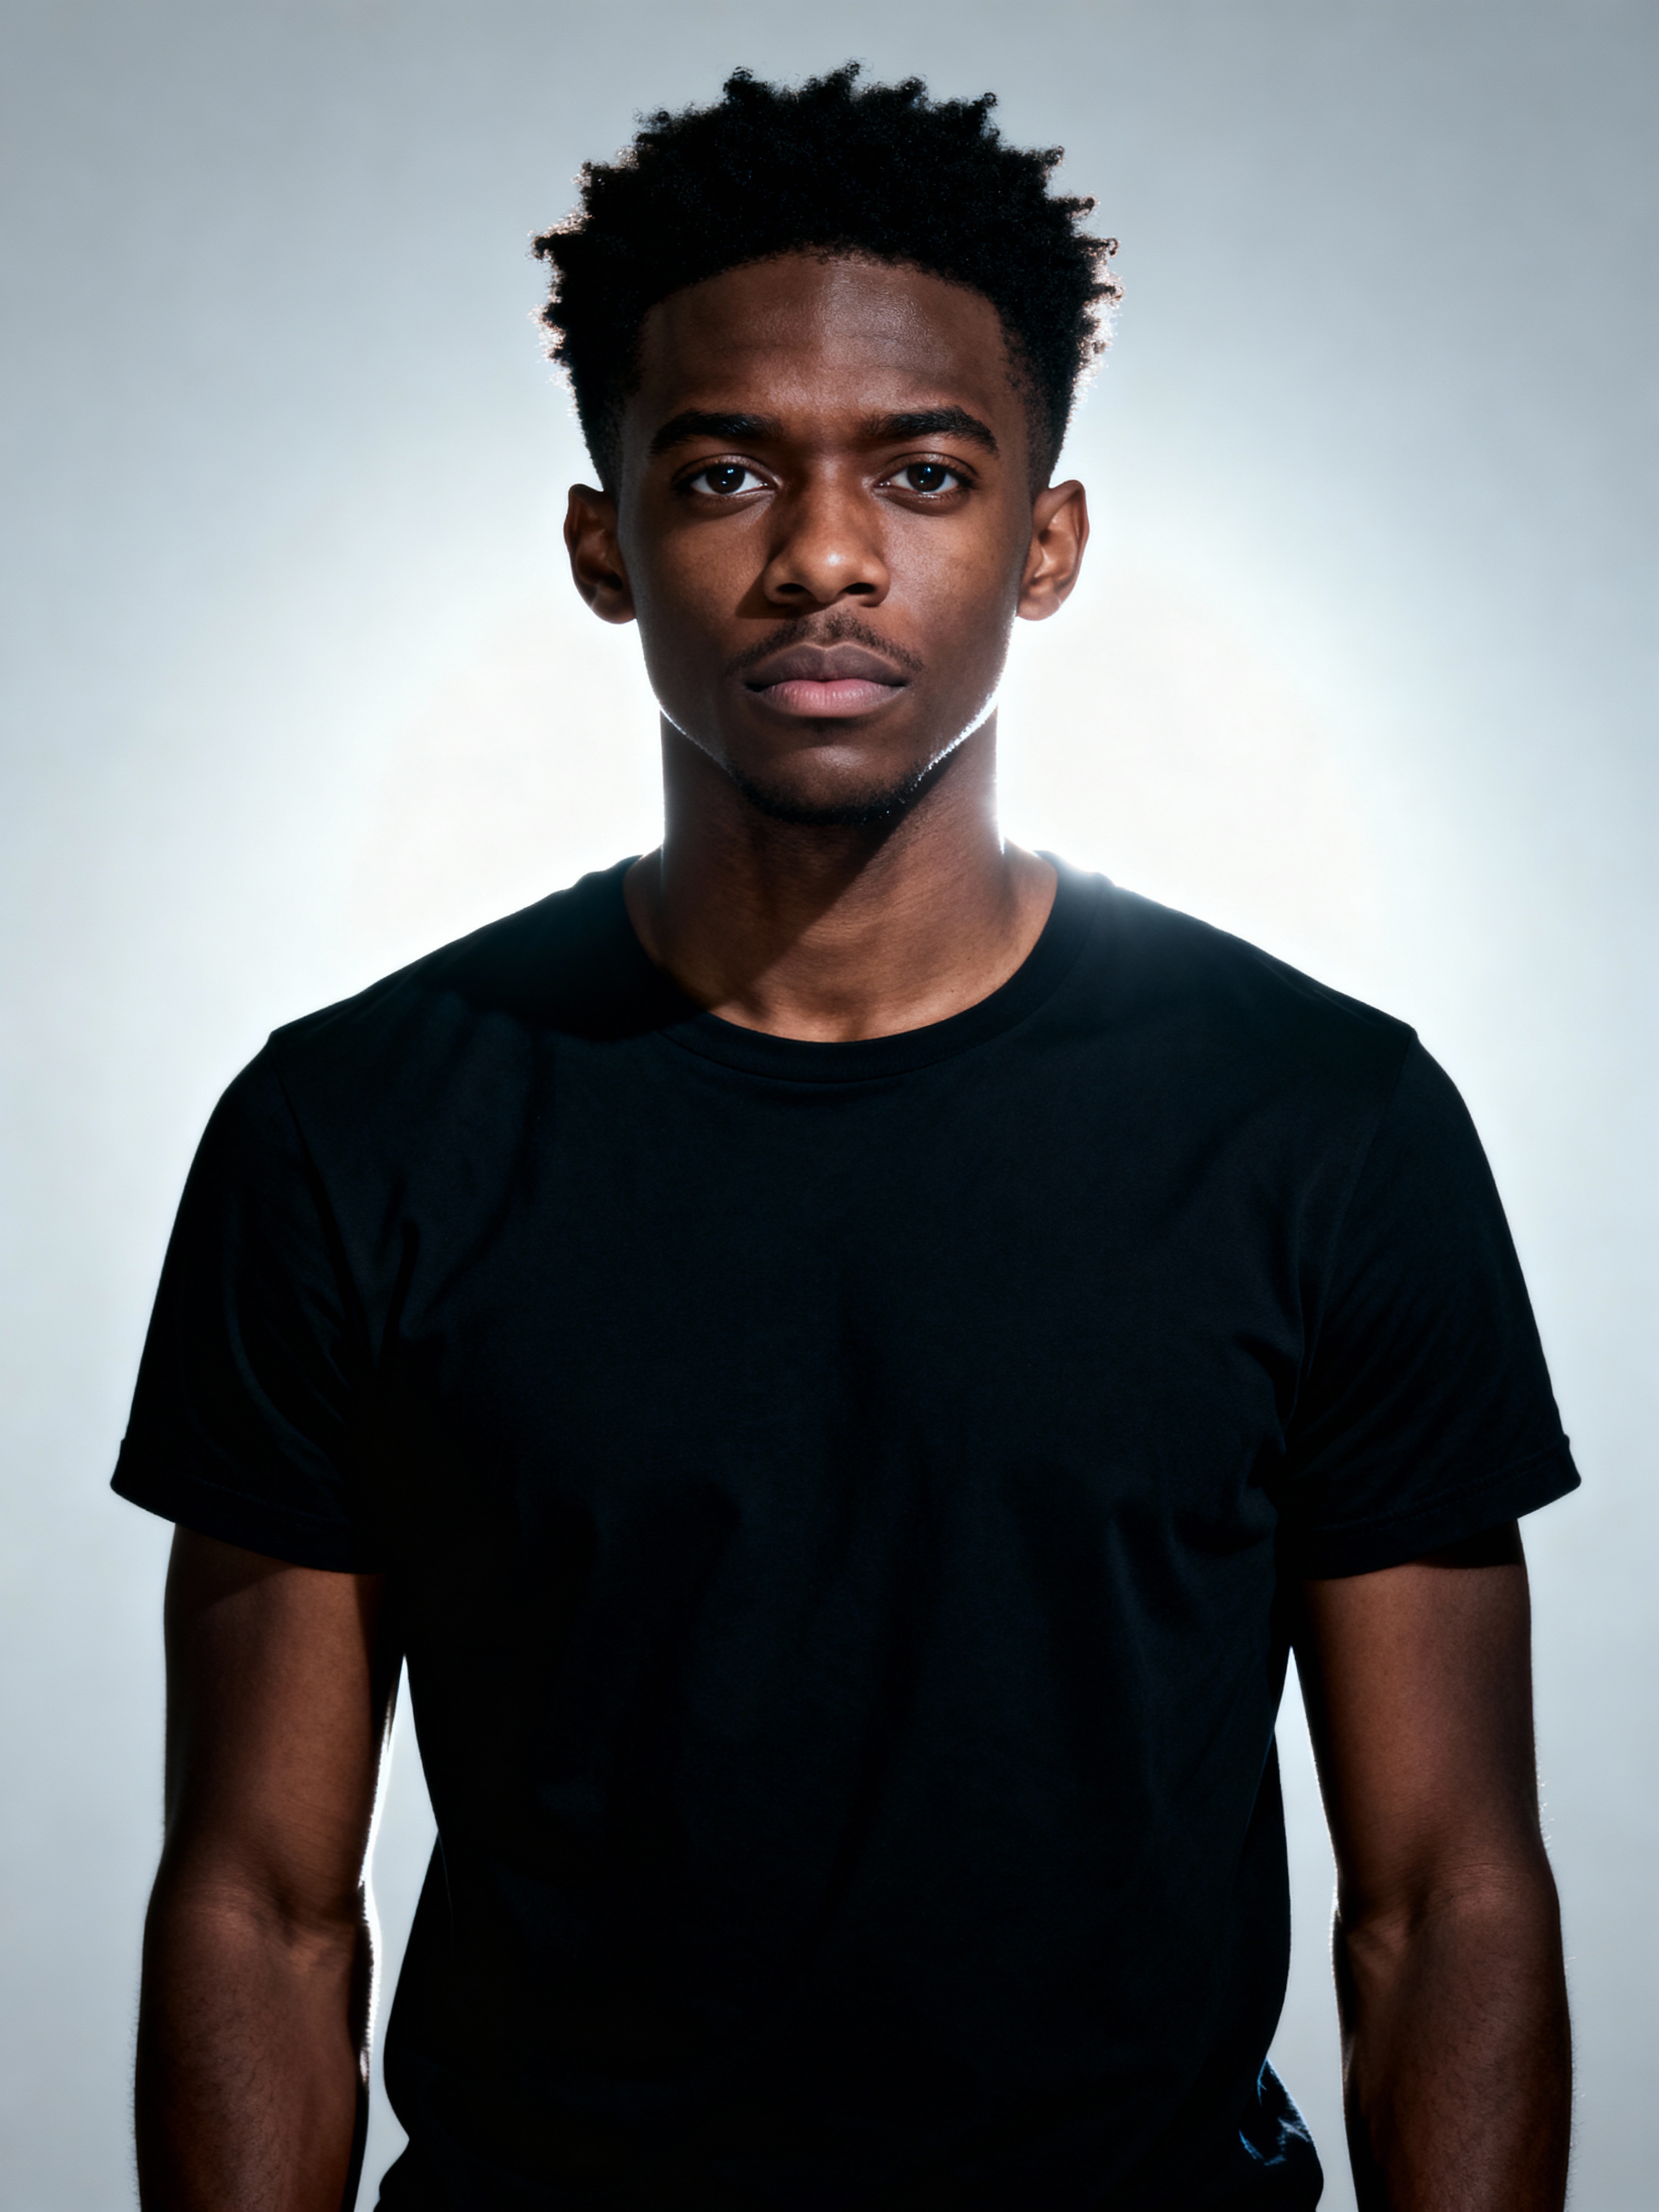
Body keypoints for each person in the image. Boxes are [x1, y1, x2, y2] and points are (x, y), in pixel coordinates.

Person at [115, 64, 1577, 2212]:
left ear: (1045, 542)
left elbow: (1445, 1894)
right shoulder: (350, 1134)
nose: (822, 556)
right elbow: (260, 1902)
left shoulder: (1326, 1125)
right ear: (603, 545)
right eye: (723, 474)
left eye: (923, 471)